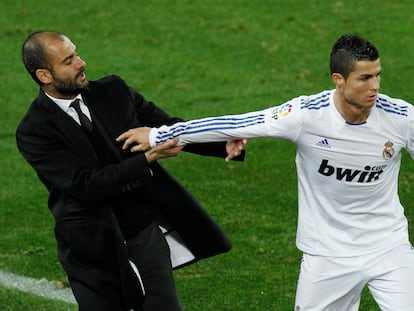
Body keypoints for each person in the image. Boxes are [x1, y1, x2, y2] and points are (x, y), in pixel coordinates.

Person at [117, 34, 414, 310]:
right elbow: (236, 123)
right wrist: (158, 135)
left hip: (388, 247)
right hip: (328, 255)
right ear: (339, 79)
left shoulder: (400, 118)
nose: (375, 86)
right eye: (364, 78)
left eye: (377, 75)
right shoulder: (305, 115)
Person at [16, 30, 246, 311]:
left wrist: (222, 142)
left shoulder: (113, 91)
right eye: (68, 60)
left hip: (142, 230)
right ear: (44, 76)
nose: (81, 62)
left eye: (76, 53)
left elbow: (167, 127)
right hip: (92, 246)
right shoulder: (34, 131)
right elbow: (86, 186)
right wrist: (147, 157)